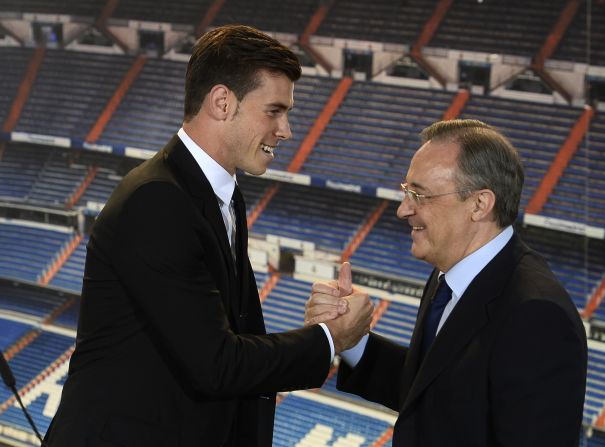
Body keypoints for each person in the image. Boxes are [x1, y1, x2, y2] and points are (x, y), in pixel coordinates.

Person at [44, 25, 373, 447]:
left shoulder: (220, 193)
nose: (286, 130)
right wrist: (329, 339)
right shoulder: (158, 200)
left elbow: (235, 338)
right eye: (274, 111)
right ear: (222, 102)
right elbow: (215, 363)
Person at [308, 119, 587, 446]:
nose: (402, 210)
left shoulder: (537, 315)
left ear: (479, 204)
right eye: (406, 191)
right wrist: (351, 339)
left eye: (419, 195)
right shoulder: (450, 272)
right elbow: (433, 391)